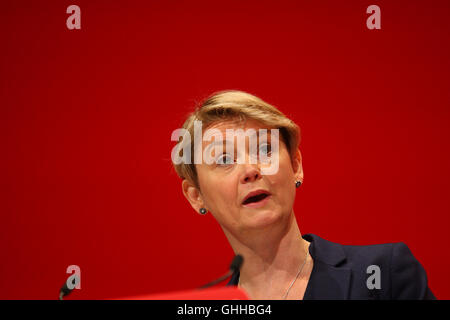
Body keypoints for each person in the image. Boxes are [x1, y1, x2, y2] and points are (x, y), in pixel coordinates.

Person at [171, 90, 435, 300]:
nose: (250, 170)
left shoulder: (382, 275)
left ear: (296, 166)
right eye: (225, 159)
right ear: (196, 197)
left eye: (264, 149)